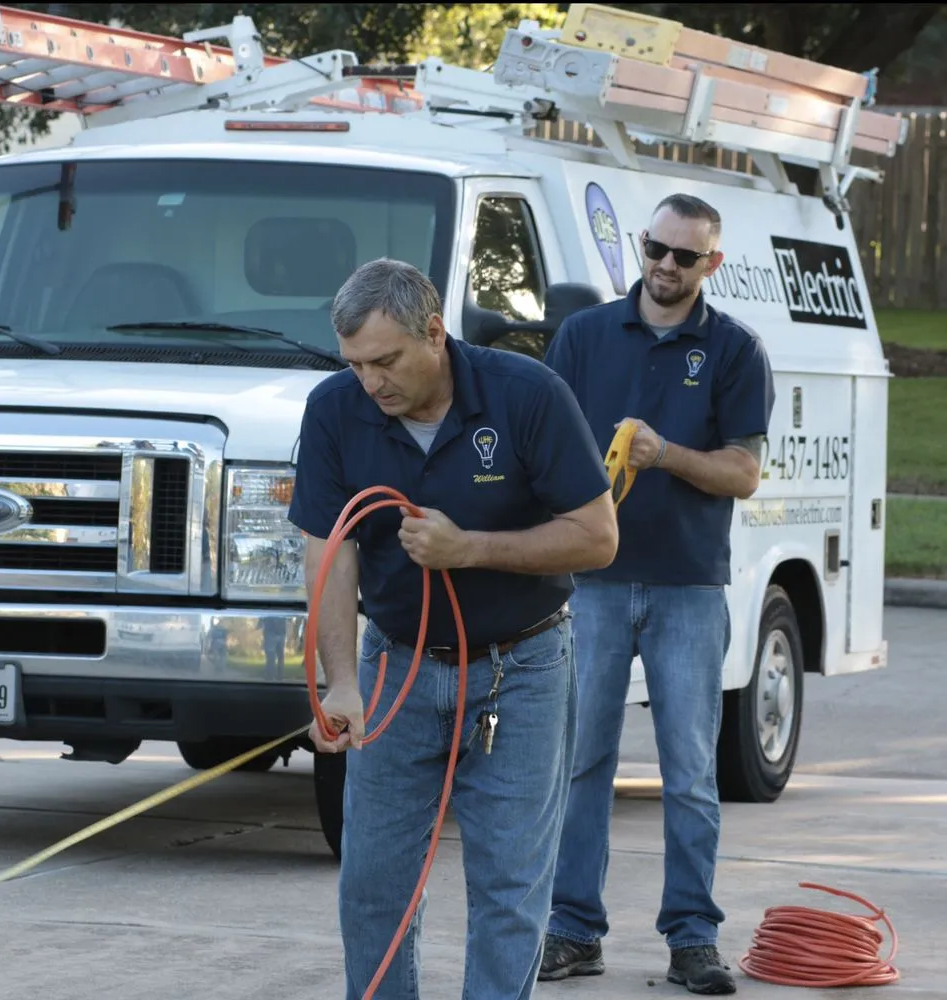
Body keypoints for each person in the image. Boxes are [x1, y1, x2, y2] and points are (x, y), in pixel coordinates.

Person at [286, 257, 620, 999]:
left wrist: (470, 548)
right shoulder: (336, 409)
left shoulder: (527, 394)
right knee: (373, 885)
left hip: (523, 669)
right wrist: (340, 682)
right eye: (355, 364)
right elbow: (329, 551)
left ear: (434, 333)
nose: (371, 384)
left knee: (508, 890)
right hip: (395, 667)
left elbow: (598, 537)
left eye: (385, 361)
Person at [539, 193, 776, 995]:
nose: (665, 267)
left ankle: (692, 938)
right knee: (581, 764)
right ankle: (572, 930)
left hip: (687, 588)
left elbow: (743, 473)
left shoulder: (737, 349)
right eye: (655, 249)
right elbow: (546, 450)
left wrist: (665, 451)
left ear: (712, 264)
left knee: (689, 772)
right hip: (594, 585)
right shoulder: (584, 336)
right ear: (641, 247)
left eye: (684, 256)